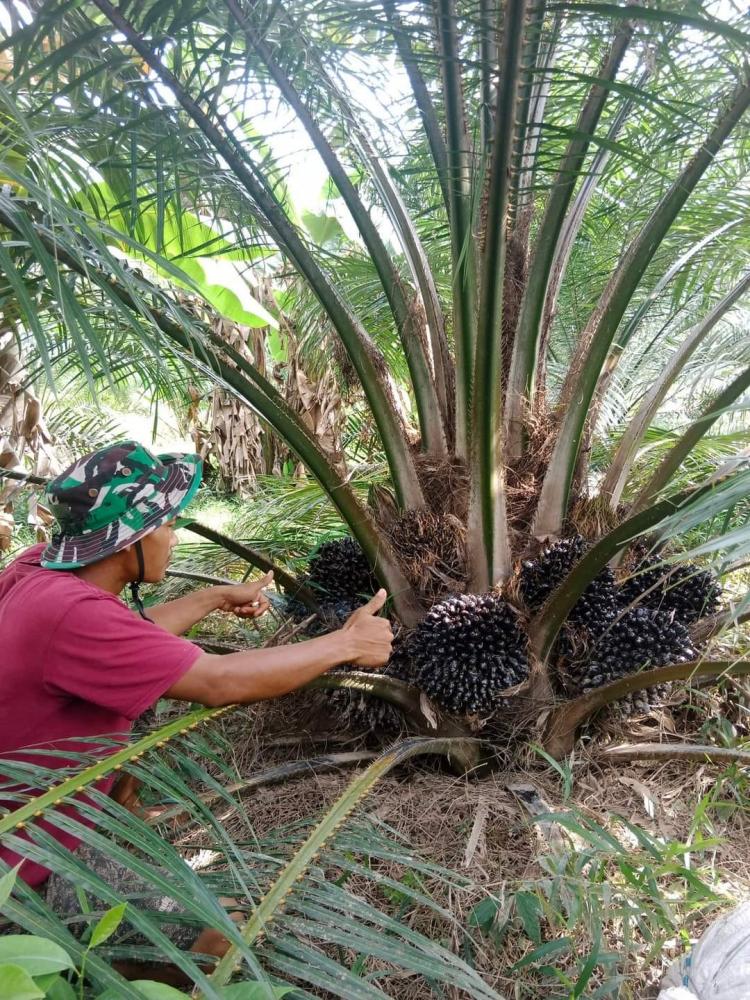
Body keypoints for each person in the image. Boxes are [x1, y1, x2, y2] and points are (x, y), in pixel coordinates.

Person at [0, 440, 393, 972]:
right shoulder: (71, 614)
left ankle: (116, 825)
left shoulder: (39, 572)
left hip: (30, 815)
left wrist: (212, 597)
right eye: (166, 523)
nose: (174, 535)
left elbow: (124, 642)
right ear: (128, 541)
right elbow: (218, 680)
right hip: (20, 868)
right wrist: (346, 645)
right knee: (223, 933)